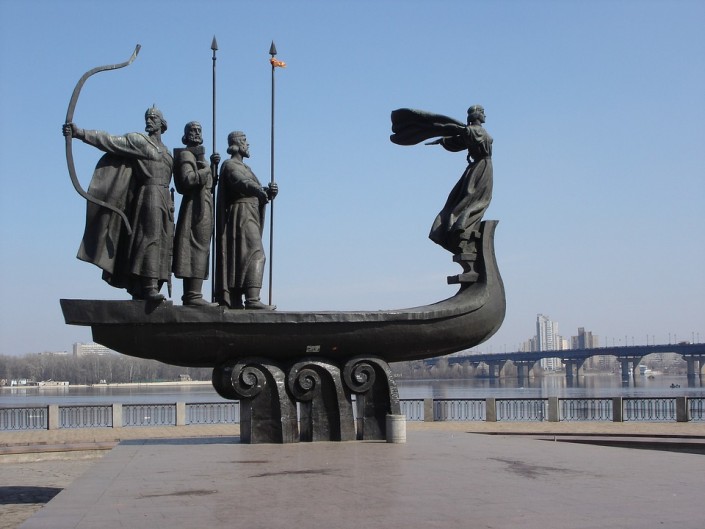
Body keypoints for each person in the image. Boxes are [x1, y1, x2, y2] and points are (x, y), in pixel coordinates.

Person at [63, 106, 174, 301]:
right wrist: (80, 133)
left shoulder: (167, 152)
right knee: (150, 237)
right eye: (147, 117)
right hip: (149, 194)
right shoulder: (139, 141)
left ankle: (145, 287)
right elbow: (109, 140)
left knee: (164, 241)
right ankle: (148, 286)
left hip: (166, 199)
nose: (149, 120)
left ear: (162, 124)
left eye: (153, 118)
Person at [391, 106, 493, 281]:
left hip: (477, 169)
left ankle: (461, 230)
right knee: (473, 201)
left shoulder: (471, 131)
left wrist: (445, 139)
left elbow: (459, 141)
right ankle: (461, 229)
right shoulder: (477, 131)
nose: (485, 115)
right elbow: (464, 138)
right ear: (477, 115)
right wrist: (447, 137)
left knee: (470, 200)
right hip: (482, 169)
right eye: (483, 113)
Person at [215, 131, 277, 309]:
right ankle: (252, 299)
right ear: (236, 144)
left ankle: (238, 299)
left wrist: (268, 192)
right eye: (244, 141)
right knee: (256, 254)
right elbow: (240, 182)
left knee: (242, 256)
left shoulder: (247, 168)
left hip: (250, 212)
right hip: (241, 213)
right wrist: (259, 190)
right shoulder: (229, 165)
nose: (247, 144)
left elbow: (253, 188)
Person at [172, 121, 217, 306]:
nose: (197, 132)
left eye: (199, 130)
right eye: (192, 130)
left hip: (205, 203)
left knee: (202, 247)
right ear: (185, 135)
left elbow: (209, 184)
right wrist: (206, 171)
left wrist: (213, 167)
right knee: (195, 246)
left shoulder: (201, 158)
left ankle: (194, 294)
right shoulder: (186, 155)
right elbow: (187, 180)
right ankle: (192, 295)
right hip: (194, 206)